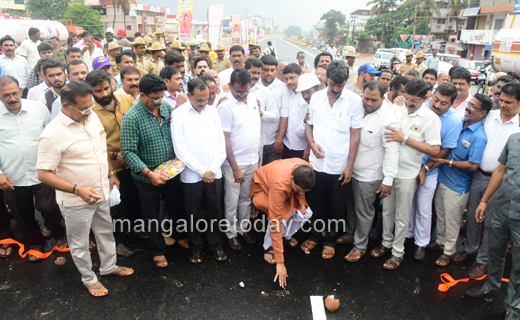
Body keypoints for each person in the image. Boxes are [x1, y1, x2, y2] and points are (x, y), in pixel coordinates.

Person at [37, 81, 134, 297]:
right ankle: (89, 278)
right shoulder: (52, 134)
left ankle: (108, 267)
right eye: (83, 108)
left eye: (90, 105)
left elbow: (102, 149)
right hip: (76, 200)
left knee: (106, 232)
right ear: (66, 106)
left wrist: (111, 174)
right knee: (79, 242)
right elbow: (43, 174)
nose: (89, 111)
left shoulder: (91, 117)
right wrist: (76, 189)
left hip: (101, 192)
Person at [372, 78, 441, 270]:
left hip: (408, 173)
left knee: (402, 216)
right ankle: (385, 243)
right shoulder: (397, 109)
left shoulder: (431, 119)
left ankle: (397, 252)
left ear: (425, 97)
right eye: (407, 98)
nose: (410, 104)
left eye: (414, 101)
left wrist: (406, 139)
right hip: (389, 171)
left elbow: (435, 150)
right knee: (386, 211)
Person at [454, 82, 520, 278]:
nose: (503, 104)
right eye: (501, 100)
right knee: (474, 216)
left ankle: (483, 261)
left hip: (500, 182)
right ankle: (470, 249)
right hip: (478, 174)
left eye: (509, 102)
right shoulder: (489, 116)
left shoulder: (518, 127)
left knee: (491, 223)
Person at [120, 73, 186, 268]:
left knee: (175, 206)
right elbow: (128, 152)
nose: (159, 101)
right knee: (152, 214)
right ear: (142, 95)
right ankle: (157, 250)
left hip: (170, 171)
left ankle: (180, 235)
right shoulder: (132, 118)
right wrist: (149, 174)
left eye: (162, 96)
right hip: (146, 176)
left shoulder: (165, 107)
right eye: (155, 98)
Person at [0, 75, 67, 261]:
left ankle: (59, 235)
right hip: (11, 176)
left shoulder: (38, 109)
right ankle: (35, 245)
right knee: (22, 213)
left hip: (42, 171)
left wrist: (55, 165)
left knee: (49, 207)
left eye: (15, 93)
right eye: (6, 95)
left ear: (21, 91)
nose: (12, 98)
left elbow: (51, 136)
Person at [301, 60, 364, 260]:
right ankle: (316, 236)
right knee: (317, 203)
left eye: (340, 85)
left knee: (337, 207)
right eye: (332, 85)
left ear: (346, 82)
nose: (336, 89)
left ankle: (330, 241)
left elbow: (355, 135)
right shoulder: (317, 98)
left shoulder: (354, 101)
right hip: (317, 163)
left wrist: (349, 166)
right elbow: (308, 125)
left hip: (339, 165)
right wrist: (311, 143)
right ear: (326, 79)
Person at [466, 107, 520, 320]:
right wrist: (485, 200)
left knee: (518, 265)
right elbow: (500, 170)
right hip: (501, 209)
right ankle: (491, 287)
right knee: (495, 253)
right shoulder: (514, 140)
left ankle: (514, 309)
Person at [428, 94, 491, 266]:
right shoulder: (459, 124)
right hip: (442, 178)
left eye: (473, 106)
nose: (468, 108)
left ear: (483, 113)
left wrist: (446, 162)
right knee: (440, 214)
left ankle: (448, 251)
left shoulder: (479, 136)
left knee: (452, 220)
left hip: (457, 186)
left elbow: (472, 165)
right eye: (469, 104)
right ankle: (440, 241)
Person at [171, 78, 227, 264]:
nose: (204, 103)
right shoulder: (179, 115)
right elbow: (180, 149)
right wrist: (202, 170)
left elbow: (221, 143)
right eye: (199, 100)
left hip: (214, 172)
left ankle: (216, 245)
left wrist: (212, 169)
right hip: (192, 175)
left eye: (207, 98)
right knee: (193, 214)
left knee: (214, 211)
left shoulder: (212, 112)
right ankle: (196, 248)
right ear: (188, 96)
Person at [344, 80, 400, 263]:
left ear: (383, 98)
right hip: (350, 171)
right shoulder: (359, 108)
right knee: (351, 208)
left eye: (373, 100)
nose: (368, 103)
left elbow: (392, 152)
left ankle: (360, 246)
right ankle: (351, 235)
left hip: (370, 176)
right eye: (366, 98)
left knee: (364, 212)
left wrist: (388, 180)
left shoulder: (389, 120)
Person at [406, 83, 463, 262]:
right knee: (407, 205)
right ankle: (407, 236)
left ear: (452, 104)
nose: (437, 105)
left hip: (430, 171)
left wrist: (425, 169)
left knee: (424, 208)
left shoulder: (454, 122)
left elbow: (443, 151)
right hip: (408, 166)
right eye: (435, 99)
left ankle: (421, 244)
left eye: (443, 103)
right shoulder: (421, 105)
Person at [85, 70, 137, 257]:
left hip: (134, 162)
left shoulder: (126, 100)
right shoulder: (90, 112)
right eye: (98, 91)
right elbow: (95, 144)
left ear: (112, 85)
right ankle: (117, 242)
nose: (104, 94)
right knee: (113, 207)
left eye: (107, 88)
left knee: (132, 201)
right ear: (91, 92)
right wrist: (113, 167)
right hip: (111, 167)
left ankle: (134, 230)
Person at [251, 159, 315, 288]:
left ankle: (285, 236)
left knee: (307, 213)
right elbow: (275, 221)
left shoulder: (307, 169)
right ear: (292, 178)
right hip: (263, 189)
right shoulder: (280, 184)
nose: (301, 190)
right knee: (282, 216)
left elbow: (300, 189)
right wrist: (280, 262)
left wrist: (302, 199)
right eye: (298, 188)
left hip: (288, 190)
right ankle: (269, 247)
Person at [218, 68, 261, 251]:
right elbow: (225, 139)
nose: (242, 95)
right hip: (234, 164)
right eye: (238, 92)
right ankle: (230, 233)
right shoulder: (225, 106)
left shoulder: (252, 100)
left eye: (245, 91)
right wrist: (235, 168)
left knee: (246, 199)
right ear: (231, 86)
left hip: (252, 161)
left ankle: (243, 229)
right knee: (232, 200)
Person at [244, 57, 279, 165]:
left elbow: (276, 115)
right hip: (239, 143)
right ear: (245, 70)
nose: (256, 76)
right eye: (253, 72)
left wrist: (261, 113)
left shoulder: (265, 91)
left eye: (258, 73)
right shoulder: (234, 88)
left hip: (258, 143)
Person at [258, 55, 290, 164]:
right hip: (255, 142)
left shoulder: (283, 88)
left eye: (272, 70)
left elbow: (284, 115)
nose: (269, 73)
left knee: (272, 176)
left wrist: (280, 139)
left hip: (273, 141)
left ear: (276, 70)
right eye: (265, 70)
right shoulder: (253, 86)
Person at [282, 63, 309, 160]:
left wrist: (309, 146)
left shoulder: (307, 96)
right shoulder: (286, 93)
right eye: (286, 79)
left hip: (303, 147)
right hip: (287, 145)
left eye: (292, 78)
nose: (289, 82)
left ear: (300, 76)